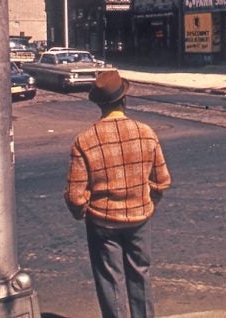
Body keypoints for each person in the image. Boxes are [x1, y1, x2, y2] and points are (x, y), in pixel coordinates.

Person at [65, 70, 171, 318]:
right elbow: (162, 180)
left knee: (110, 279)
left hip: (102, 222)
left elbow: (74, 196)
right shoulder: (146, 132)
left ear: (99, 104)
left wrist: (83, 212)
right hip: (139, 218)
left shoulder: (85, 140)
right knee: (140, 273)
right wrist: (149, 203)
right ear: (124, 100)